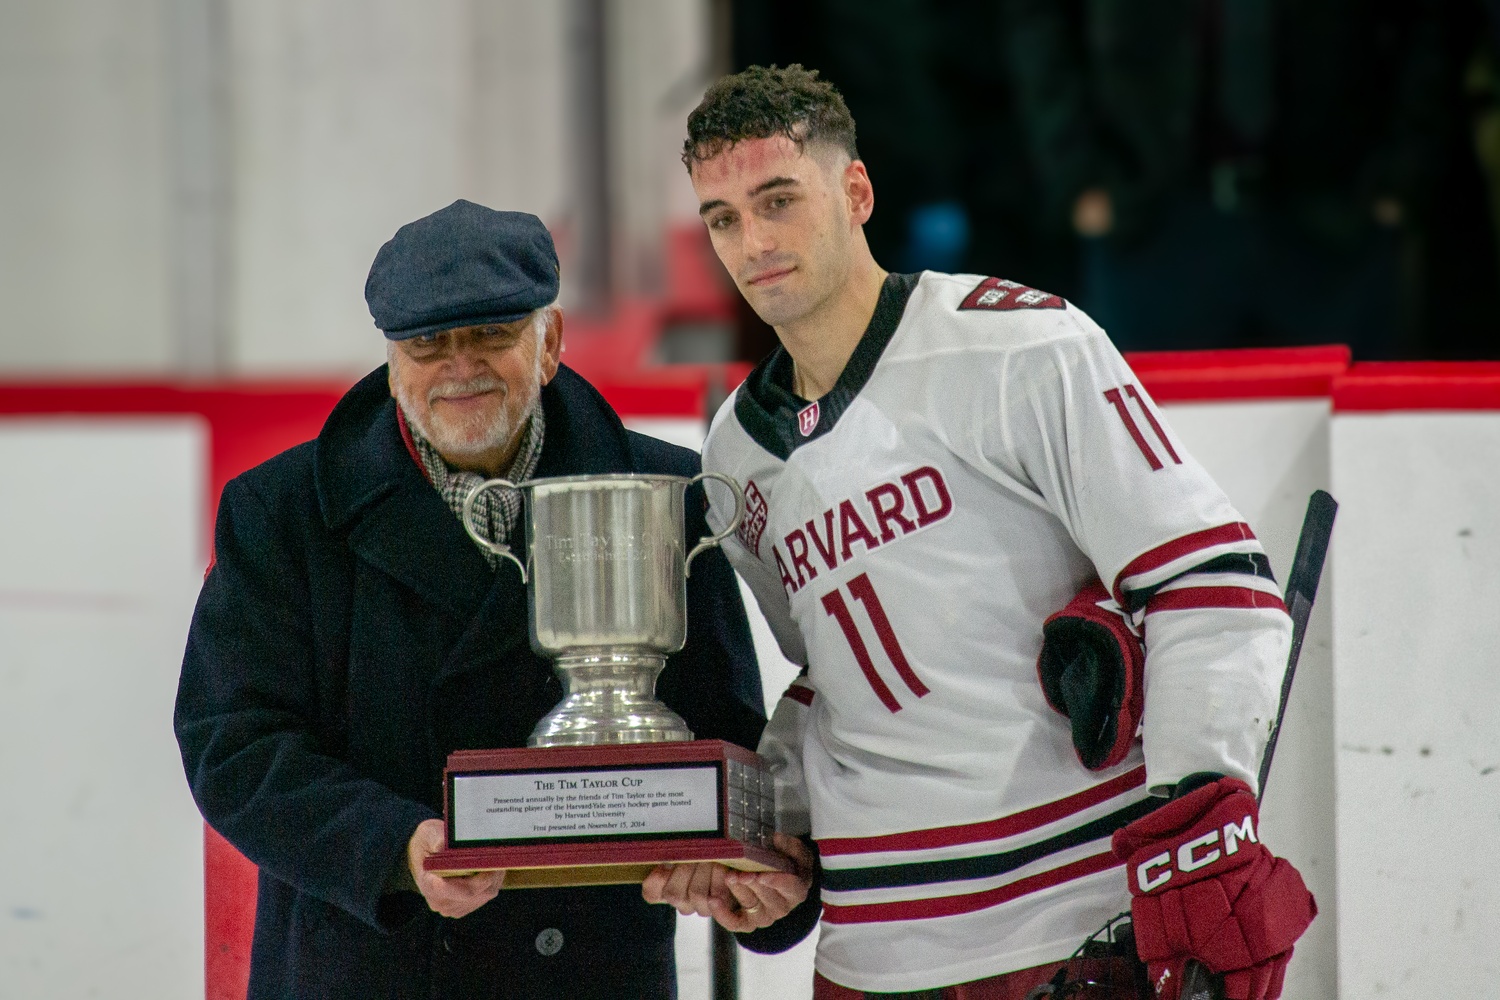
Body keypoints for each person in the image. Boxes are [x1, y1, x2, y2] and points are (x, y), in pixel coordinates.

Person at [646, 66, 1316, 999]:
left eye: (779, 200)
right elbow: (832, 683)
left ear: (856, 192)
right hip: (868, 952)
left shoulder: (1021, 347)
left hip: (1074, 922)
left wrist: (1197, 826)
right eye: (723, 219)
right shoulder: (734, 456)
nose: (753, 242)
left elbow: (1211, 585)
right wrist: (773, 843)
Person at [173, 200, 767, 1000]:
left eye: (491, 334)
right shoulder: (279, 514)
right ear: (392, 362)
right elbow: (233, 744)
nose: (460, 367)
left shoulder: (667, 492)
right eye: (427, 345)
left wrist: (736, 864)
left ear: (549, 342)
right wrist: (394, 848)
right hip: (367, 971)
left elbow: (727, 732)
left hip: (589, 975)